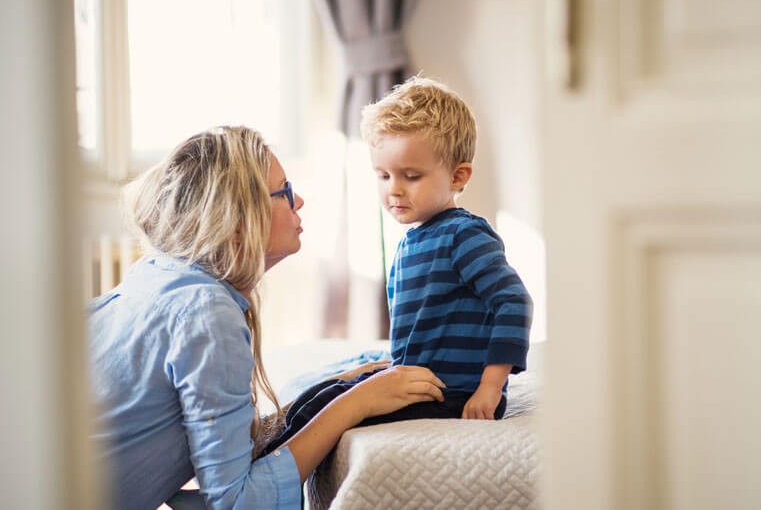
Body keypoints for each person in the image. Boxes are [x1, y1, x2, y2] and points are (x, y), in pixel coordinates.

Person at [86, 126, 446, 510]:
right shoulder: (206, 312)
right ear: (238, 221)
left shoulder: (156, 275)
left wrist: (332, 391)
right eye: (284, 192)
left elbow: (218, 455)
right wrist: (356, 403)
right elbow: (238, 502)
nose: (300, 201)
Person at [261, 76, 533, 453]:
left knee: (329, 411)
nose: (394, 189)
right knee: (321, 395)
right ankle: (252, 460)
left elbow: (514, 303)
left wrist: (490, 387)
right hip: (418, 382)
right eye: (384, 175)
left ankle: (257, 473)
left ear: (458, 176)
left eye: (411, 176)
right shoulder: (413, 240)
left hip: (451, 394)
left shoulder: (463, 235)